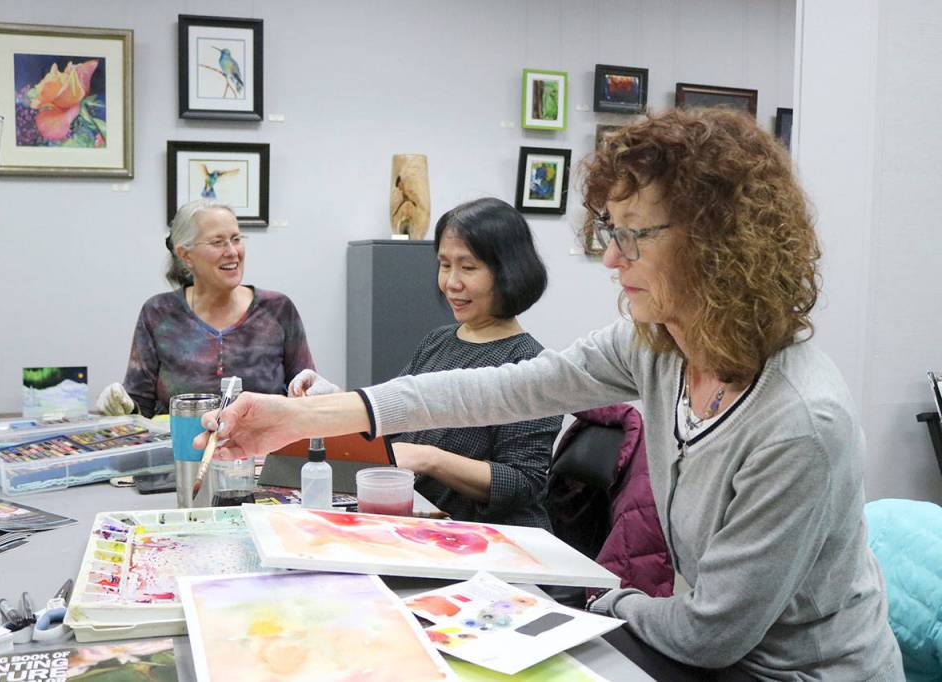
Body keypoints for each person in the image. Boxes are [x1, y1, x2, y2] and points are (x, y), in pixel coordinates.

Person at [195, 108, 902, 680]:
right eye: (610, 233)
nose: (612, 258)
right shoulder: (659, 346)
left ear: (720, 245)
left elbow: (710, 633)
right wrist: (298, 417)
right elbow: (498, 389)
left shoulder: (800, 422)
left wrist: (591, 592)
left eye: (633, 237)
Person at [290, 198, 561, 528]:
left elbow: (523, 483)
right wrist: (334, 400)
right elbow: (394, 423)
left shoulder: (533, 364)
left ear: (508, 271)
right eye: (445, 265)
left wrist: (428, 459)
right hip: (426, 525)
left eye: (469, 267)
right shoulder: (438, 341)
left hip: (492, 542)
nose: (451, 283)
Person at [98, 199, 315, 417]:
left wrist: (318, 395)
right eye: (217, 242)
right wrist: (122, 407)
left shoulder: (277, 309)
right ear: (185, 255)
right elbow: (140, 406)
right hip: (182, 449)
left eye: (236, 239)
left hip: (265, 449)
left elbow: (304, 395)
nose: (232, 251)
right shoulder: (158, 312)